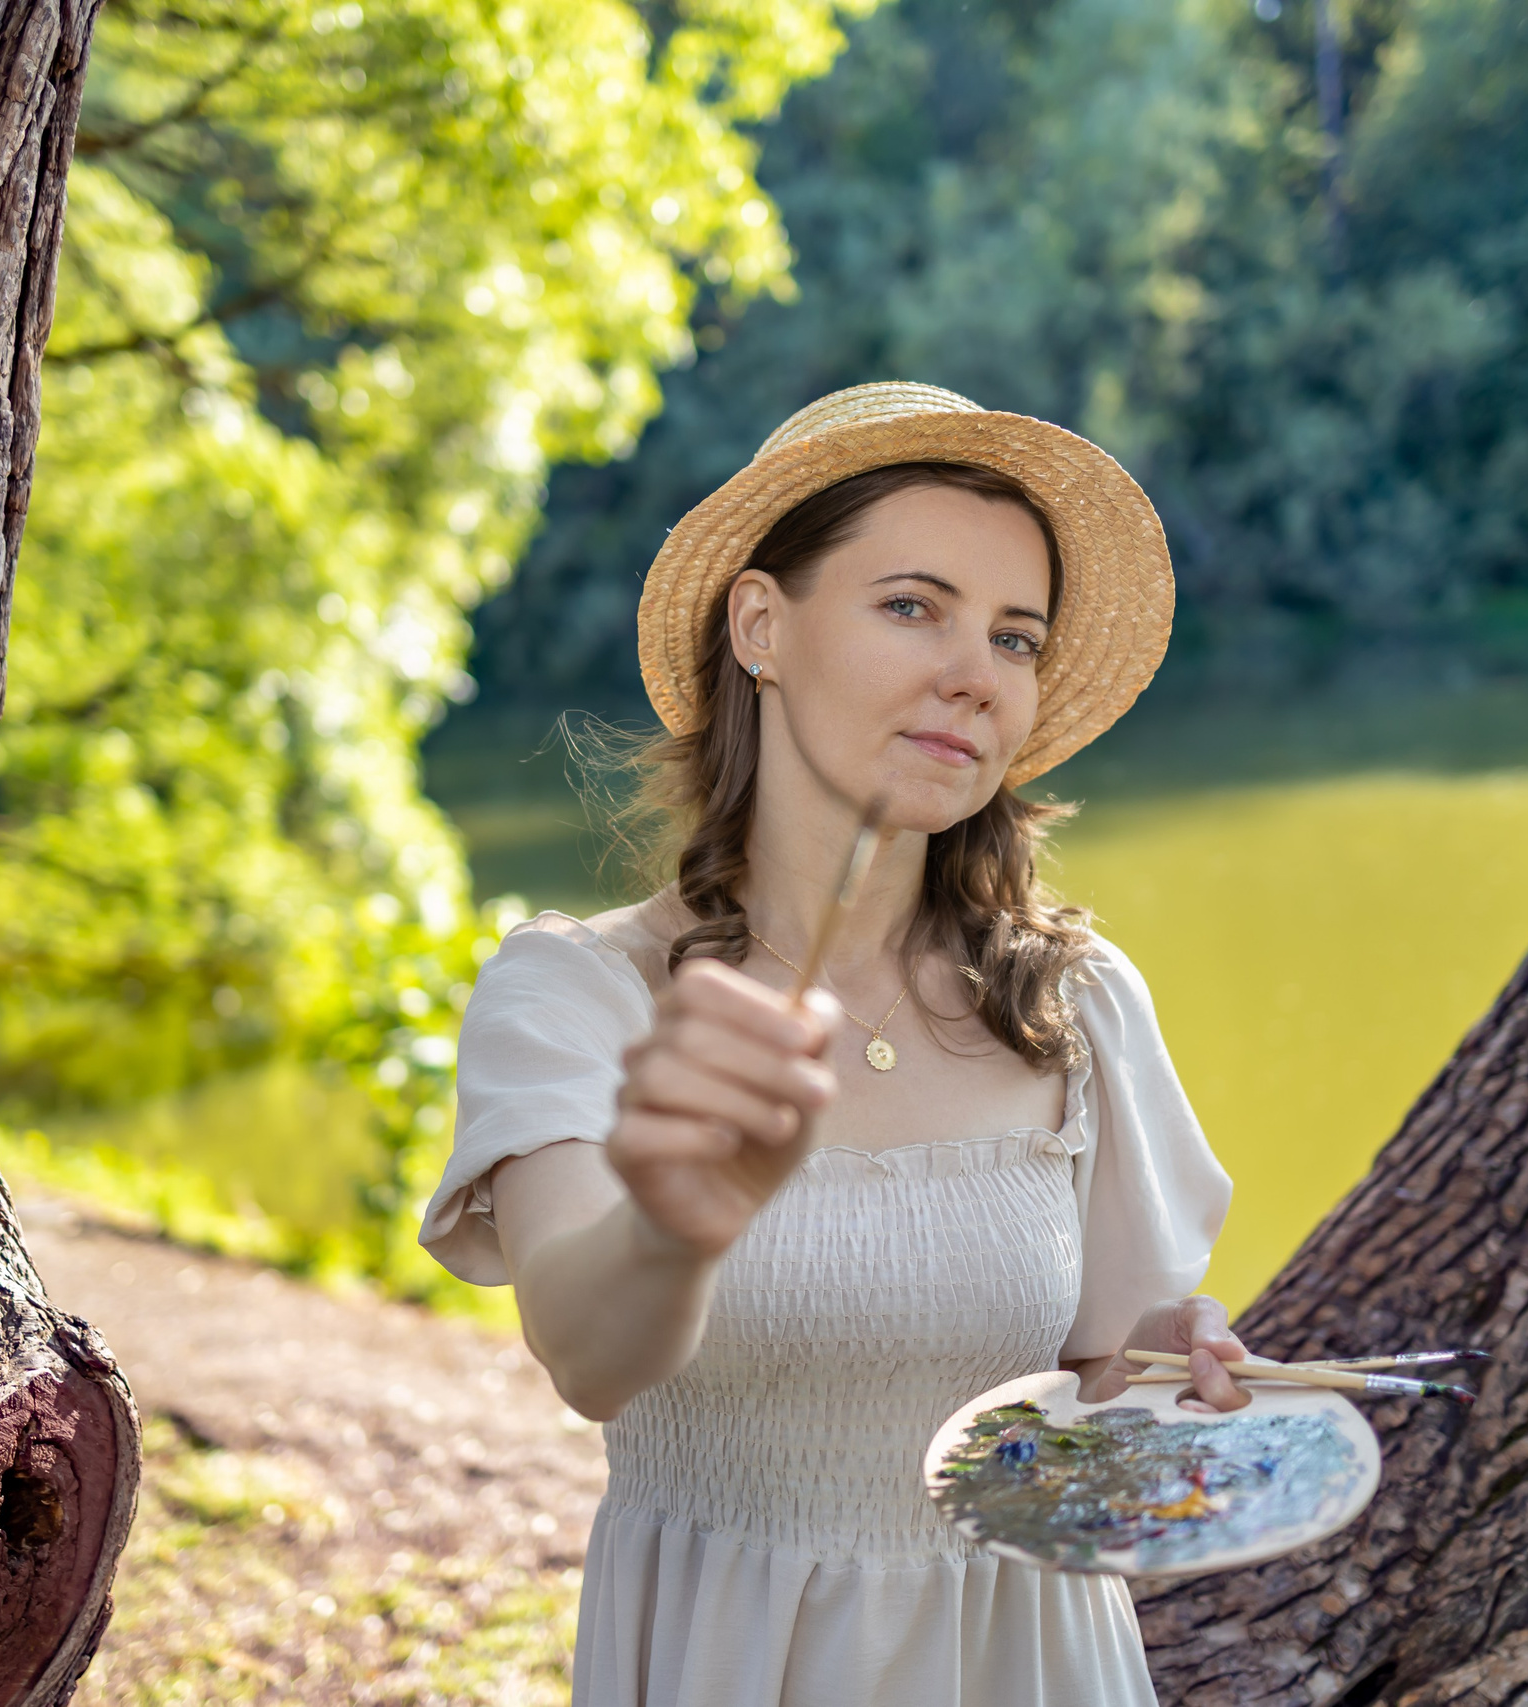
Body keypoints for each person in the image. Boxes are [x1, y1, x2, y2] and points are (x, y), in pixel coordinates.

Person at [421, 382, 1243, 1705]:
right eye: (913, 607)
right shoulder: (579, 996)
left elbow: (1098, 1379)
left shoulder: (1075, 1004)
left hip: (1034, 1666)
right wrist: (678, 1223)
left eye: (1015, 638)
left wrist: (1173, 1377)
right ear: (762, 624)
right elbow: (584, 1351)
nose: (974, 675)